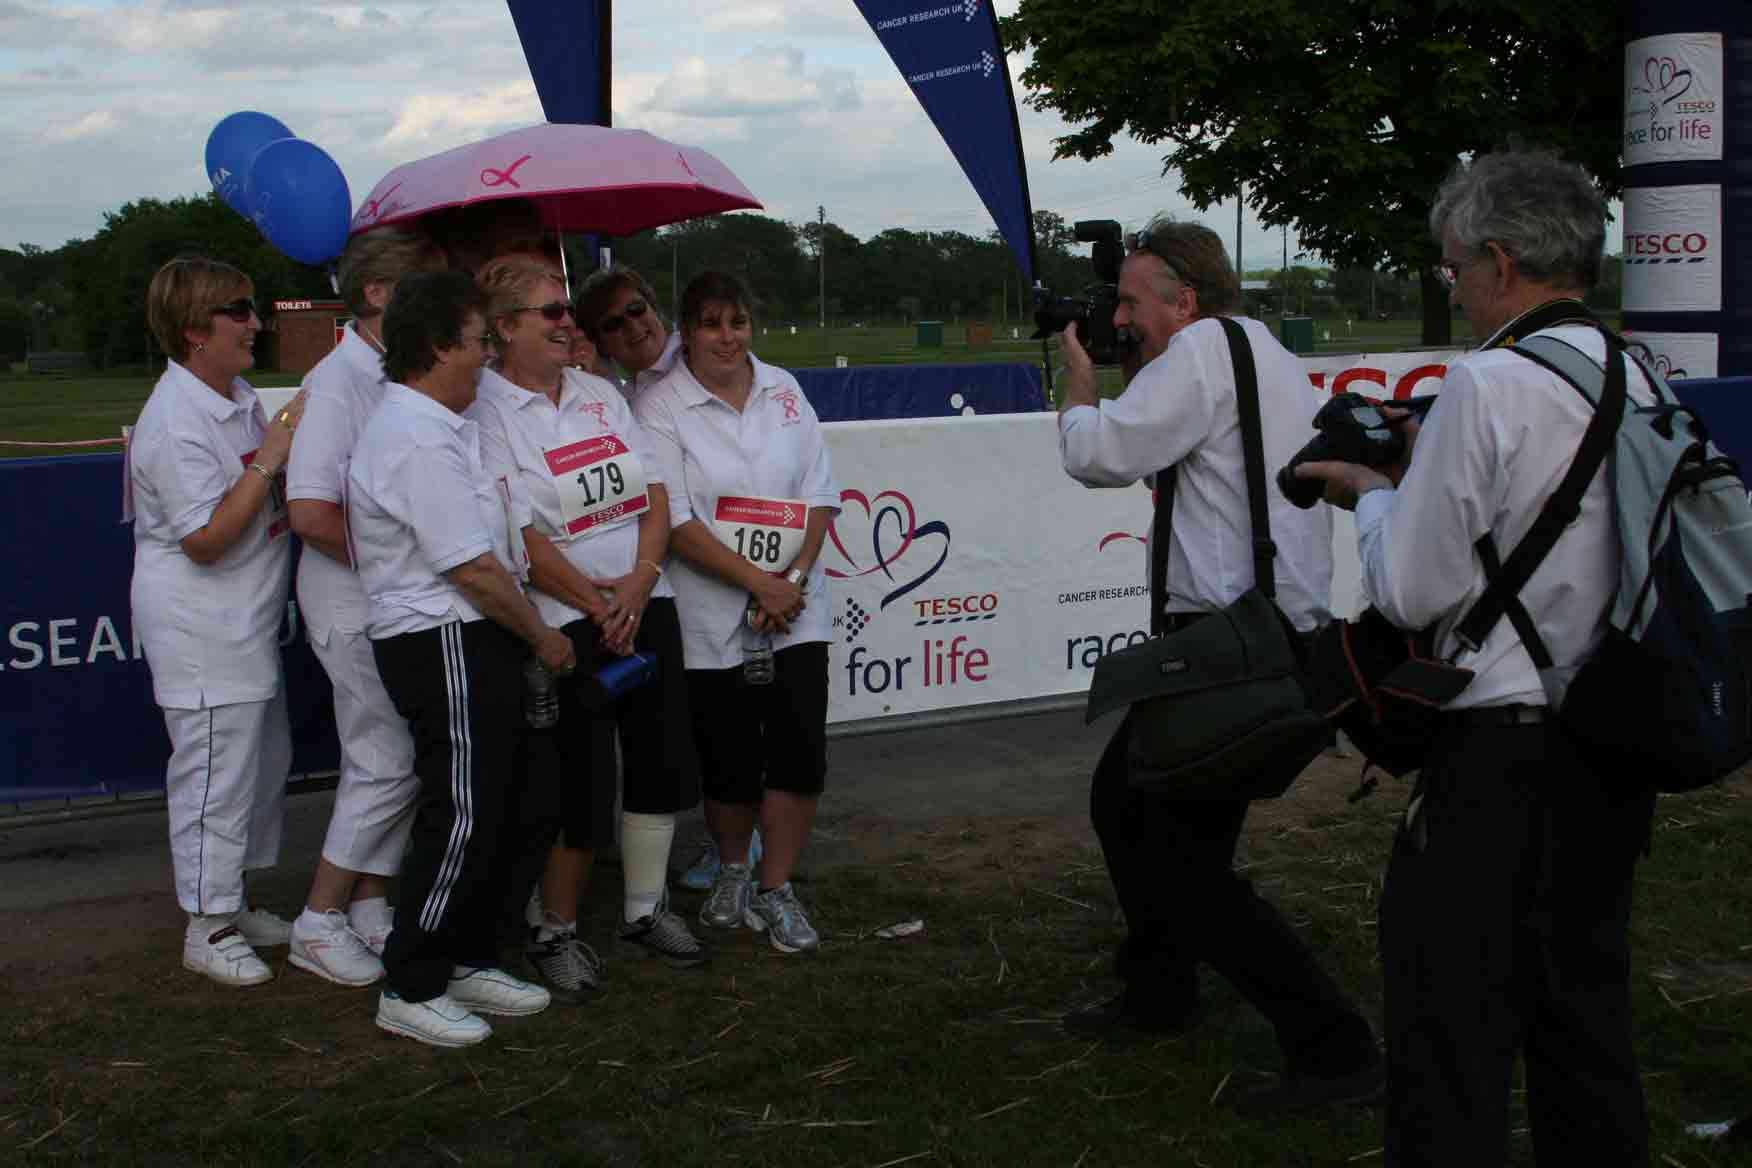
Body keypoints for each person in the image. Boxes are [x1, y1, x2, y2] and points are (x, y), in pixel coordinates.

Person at [1294, 150, 1657, 1166]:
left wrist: (1368, 492)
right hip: (1608, 733)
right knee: (1583, 1020)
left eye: (1452, 267)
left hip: (1496, 751)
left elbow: (1411, 591)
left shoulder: (1489, 382)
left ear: (1499, 259)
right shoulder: (1630, 368)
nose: (1450, 285)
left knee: (1449, 1026)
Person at [1055, 218, 1382, 1111]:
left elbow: (1102, 456)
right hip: (1263, 633)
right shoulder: (1257, 349)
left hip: (1228, 645)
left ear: (1184, 300)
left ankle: (1332, 1043)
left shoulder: (1198, 353)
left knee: (1176, 859)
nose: (1120, 315)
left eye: (1131, 300)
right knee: (1132, 808)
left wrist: (1077, 383)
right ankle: (1161, 991)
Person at [347, 270, 576, 1048]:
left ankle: (468, 953)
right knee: (466, 809)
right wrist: (542, 635)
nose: (485, 357)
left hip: (475, 633)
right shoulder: (411, 435)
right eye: (479, 342)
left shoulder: (447, 426)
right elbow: (470, 568)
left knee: (513, 803)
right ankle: (410, 982)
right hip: (441, 637)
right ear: (440, 344)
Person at [469, 257, 707, 1000]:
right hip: (567, 623)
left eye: (566, 308)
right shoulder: (486, 411)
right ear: (504, 328)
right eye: (549, 312)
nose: (567, 322)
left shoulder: (600, 392)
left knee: (660, 760)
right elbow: (523, 543)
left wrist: (639, 581)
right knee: (578, 781)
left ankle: (644, 910)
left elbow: (654, 495)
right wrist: (600, 605)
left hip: (646, 604)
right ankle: (557, 931)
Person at [634, 270, 838, 954]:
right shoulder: (660, 406)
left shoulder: (786, 389)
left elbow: (819, 496)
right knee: (727, 762)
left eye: (738, 323)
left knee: (797, 755)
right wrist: (759, 582)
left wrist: (794, 579)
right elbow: (677, 520)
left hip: (796, 611)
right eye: (712, 324)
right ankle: (731, 870)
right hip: (709, 615)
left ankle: (776, 886)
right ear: (685, 333)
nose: (728, 337)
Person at [128, 256, 306, 987]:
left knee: (261, 765)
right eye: (240, 310)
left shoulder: (234, 396)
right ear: (196, 328)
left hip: (250, 619)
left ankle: (236, 897)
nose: (255, 323)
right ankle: (206, 923)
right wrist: (269, 460)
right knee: (212, 774)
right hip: (202, 627)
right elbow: (204, 538)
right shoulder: (173, 421)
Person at [283, 226, 445, 986]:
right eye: (423, 284)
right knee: (385, 757)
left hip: (392, 598)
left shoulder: (389, 372)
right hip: (352, 601)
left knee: (392, 756)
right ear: (378, 294)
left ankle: (370, 905)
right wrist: (399, 554)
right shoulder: (337, 381)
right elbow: (312, 513)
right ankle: (317, 919)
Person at [577, 264, 764, 888]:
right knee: (699, 723)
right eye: (614, 323)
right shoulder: (613, 394)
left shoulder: (701, 369)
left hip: (719, 568)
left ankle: (738, 845)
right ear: (597, 340)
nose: (634, 326)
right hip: (668, 584)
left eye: (637, 308)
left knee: (727, 722)